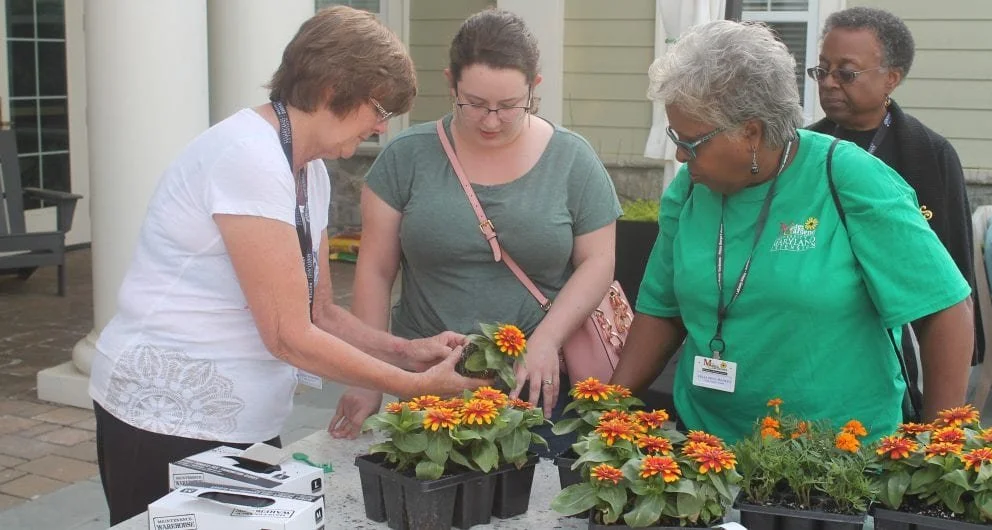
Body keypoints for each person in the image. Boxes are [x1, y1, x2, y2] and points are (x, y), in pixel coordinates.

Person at [88, 7, 486, 525]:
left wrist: (407, 352)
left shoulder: (308, 170)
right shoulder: (248, 156)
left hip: (238, 419)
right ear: (330, 90)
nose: (381, 127)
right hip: (166, 418)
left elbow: (318, 311)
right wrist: (410, 386)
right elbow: (287, 335)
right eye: (379, 109)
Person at [609, 20, 974, 444]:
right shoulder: (690, 190)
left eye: (691, 142)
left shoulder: (848, 177)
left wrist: (941, 450)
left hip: (837, 461)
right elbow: (662, 310)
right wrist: (608, 411)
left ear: (751, 132)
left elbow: (944, 309)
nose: (679, 154)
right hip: (706, 453)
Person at [327, 8, 621, 457]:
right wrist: (370, 377)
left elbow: (598, 261)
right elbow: (375, 270)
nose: (490, 120)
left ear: (534, 87)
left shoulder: (572, 160)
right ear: (451, 83)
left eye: (508, 106)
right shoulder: (406, 159)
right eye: (474, 103)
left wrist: (546, 342)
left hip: (536, 385)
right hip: (430, 386)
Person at [807, 6, 982, 408]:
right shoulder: (803, 149)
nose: (830, 83)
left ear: (892, 78)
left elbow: (953, 268)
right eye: (822, 70)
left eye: (846, 73)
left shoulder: (930, 154)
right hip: (818, 337)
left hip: (896, 345)